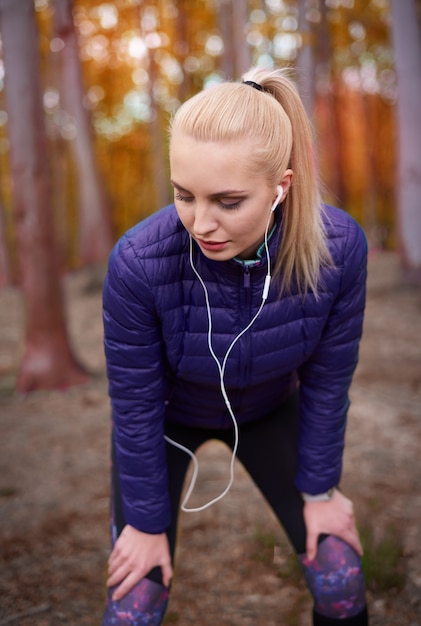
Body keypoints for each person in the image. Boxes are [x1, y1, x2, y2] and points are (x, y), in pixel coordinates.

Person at [101, 65, 369, 626]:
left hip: (272, 411)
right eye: (184, 196)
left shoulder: (339, 249)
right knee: (135, 601)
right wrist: (146, 526)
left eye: (227, 201)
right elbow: (135, 405)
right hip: (170, 421)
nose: (201, 223)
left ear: (282, 187)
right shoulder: (138, 263)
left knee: (339, 574)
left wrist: (320, 490)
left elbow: (329, 379)